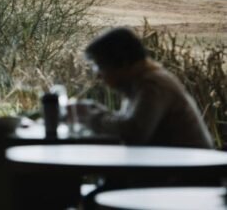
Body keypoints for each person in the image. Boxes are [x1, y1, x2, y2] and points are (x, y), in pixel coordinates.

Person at [78, 27, 213, 148]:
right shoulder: (140, 82)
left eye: (100, 66)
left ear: (123, 63)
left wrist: (92, 118)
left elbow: (135, 132)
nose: (98, 76)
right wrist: (98, 113)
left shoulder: (153, 84)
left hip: (190, 173)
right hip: (176, 168)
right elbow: (129, 124)